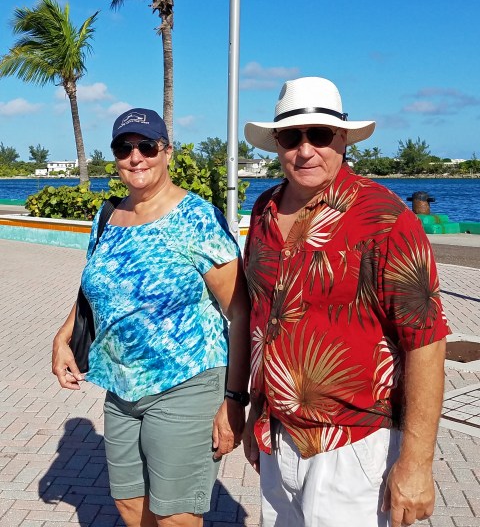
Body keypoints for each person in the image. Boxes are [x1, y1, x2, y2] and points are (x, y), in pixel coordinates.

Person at [242, 77, 449, 527]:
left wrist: (416, 463)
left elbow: (426, 341)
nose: (305, 150)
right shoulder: (264, 210)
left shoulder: (386, 219)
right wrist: (254, 411)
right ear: (276, 144)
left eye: (319, 135)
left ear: (342, 138)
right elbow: (261, 319)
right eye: (291, 137)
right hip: (278, 435)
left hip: (356, 445)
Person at [52, 108, 251, 527]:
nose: (136, 156)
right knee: (128, 503)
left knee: (175, 515)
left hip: (187, 381)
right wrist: (62, 336)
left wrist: (234, 399)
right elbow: (95, 286)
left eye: (147, 146)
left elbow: (239, 309)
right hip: (120, 387)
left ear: (167, 152)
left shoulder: (197, 218)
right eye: (124, 148)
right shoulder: (108, 215)